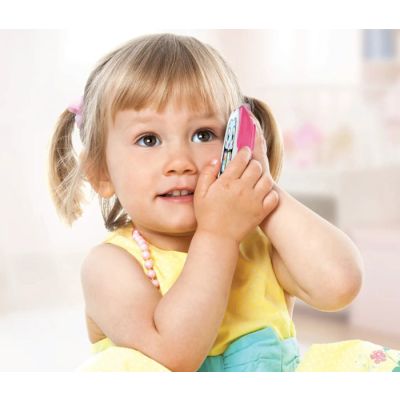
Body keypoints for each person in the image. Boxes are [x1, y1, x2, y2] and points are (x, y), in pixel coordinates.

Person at [48, 33, 398, 372]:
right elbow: (172, 357)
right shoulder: (110, 265)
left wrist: (263, 191)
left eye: (204, 134)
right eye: (149, 139)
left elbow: (340, 285)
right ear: (101, 173)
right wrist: (217, 236)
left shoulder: (256, 245)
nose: (180, 161)